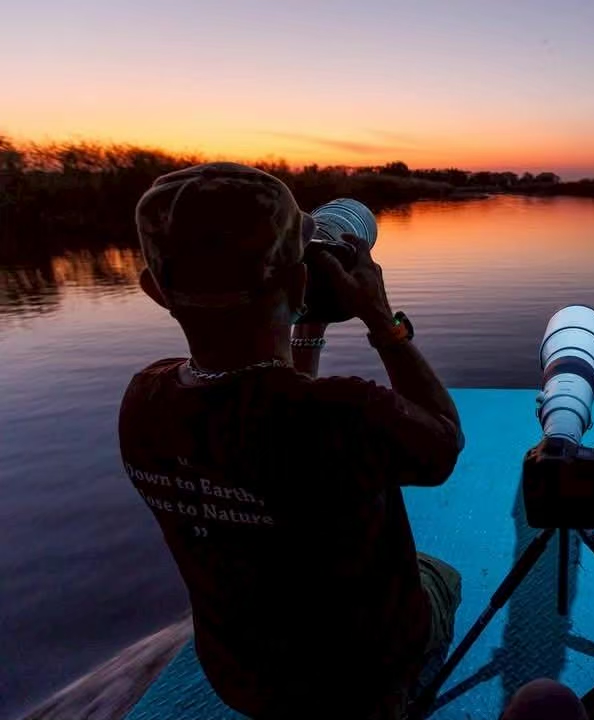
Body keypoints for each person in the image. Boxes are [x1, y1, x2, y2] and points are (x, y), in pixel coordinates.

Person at [119, 162, 464, 719]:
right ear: (301, 284)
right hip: (358, 682)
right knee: (441, 573)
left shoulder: (143, 401)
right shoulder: (347, 413)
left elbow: (266, 406)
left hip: (241, 678)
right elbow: (444, 444)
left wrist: (306, 326)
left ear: (155, 290)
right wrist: (382, 321)